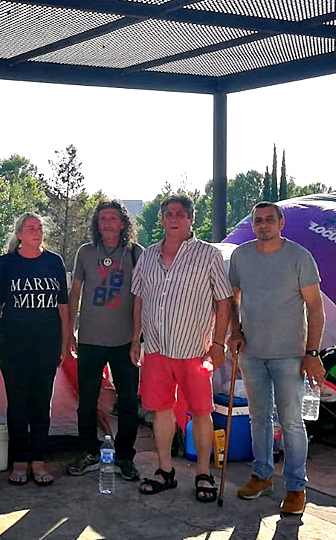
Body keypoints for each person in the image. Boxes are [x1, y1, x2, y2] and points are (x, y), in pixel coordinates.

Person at [130, 195, 232, 503]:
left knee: (201, 412)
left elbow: (223, 300)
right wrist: (136, 339)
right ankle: (165, 470)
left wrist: (218, 343)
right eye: (168, 214)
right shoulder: (147, 255)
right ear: (161, 219)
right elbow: (138, 298)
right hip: (157, 348)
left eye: (180, 214)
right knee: (161, 410)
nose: (174, 218)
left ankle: (203, 473)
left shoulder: (209, 255)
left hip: (195, 350)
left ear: (191, 219)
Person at [227, 201, 326, 516]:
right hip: (252, 353)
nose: (263, 225)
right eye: (258, 220)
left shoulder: (299, 257)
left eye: (269, 220)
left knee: (292, 422)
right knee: (258, 419)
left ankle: (296, 487)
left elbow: (315, 308)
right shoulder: (241, 256)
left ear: (281, 224)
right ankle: (262, 475)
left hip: (290, 355)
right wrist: (235, 331)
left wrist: (312, 353)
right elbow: (233, 299)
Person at [0, 212, 70, 488]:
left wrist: (66, 340)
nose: (37, 232)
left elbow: (63, 305)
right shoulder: (6, 264)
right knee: (18, 404)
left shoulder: (54, 262)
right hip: (13, 344)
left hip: (47, 343)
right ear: (19, 234)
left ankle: (38, 460)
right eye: (31, 228)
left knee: (41, 404)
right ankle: (20, 461)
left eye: (40, 228)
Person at [66, 199, 144, 482]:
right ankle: (89, 451)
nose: (107, 224)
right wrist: (70, 332)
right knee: (86, 399)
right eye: (102, 219)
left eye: (112, 219)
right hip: (89, 338)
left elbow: (141, 299)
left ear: (123, 223)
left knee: (127, 403)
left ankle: (124, 456)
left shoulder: (136, 253)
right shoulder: (86, 253)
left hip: (124, 340)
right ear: (96, 225)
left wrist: (137, 339)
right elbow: (74, 293)